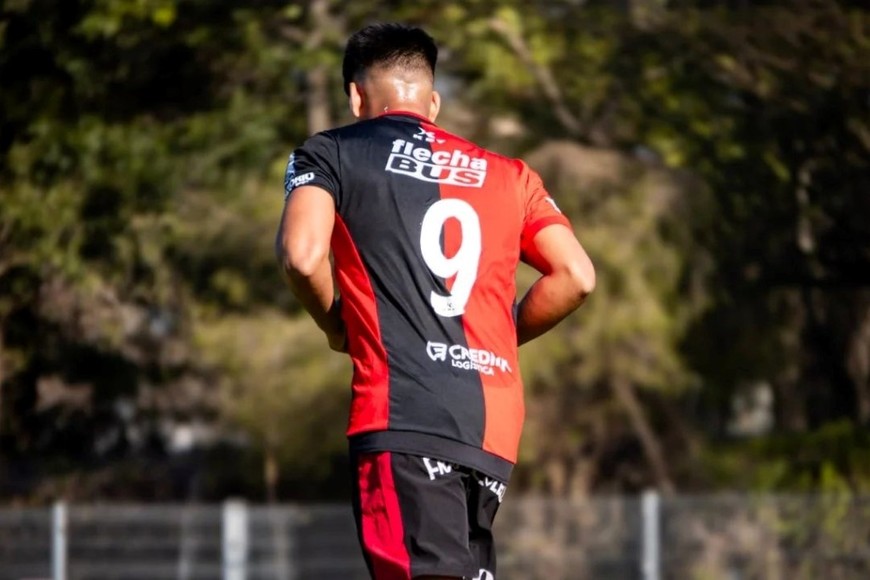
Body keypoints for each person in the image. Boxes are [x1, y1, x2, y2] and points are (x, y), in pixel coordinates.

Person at [276, 23, 595, 580]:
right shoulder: (512, 175)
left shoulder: (330, 153)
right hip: (491, 425)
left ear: (355, 95)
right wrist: (492, 334)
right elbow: (576, 276)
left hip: (403, 413)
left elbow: (302, 257)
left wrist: (336, 325)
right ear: (435, 100)